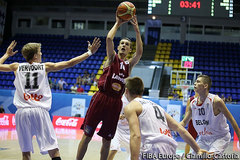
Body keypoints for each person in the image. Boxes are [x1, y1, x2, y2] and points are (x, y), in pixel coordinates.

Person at [0, 38, 100, 160]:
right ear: (36, 55)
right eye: (40, 51)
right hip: (39, 111)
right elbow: (70, 63)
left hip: (22, 112)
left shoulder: (16, 67)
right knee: (54, 150)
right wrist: (89, 53)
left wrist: (6, 54)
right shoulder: (44, 67)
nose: (41, 54)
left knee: (25, 152)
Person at [76, 14, 143, 160]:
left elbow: (139, 53)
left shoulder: (128, 65)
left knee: (107, 141)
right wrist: (118, 23)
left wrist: (137, 31)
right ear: (118, 47)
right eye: (122, 44)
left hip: (115, 103)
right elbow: (108, 39)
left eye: (127, 45)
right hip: (101, 98)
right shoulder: (112, 58)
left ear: (129, 50)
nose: (124, 45)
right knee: (87, 135)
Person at [123, 77, 209, 159]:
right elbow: (180, 128)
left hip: (152, 148)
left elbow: (135, 136)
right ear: (142, 91)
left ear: (126, 91)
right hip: (169, 148)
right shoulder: (157, 106)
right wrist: (197, 149)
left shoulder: (130, 107)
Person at [180, 75, 240, 156]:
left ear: (205, 86)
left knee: (209, 157)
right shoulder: (192, 104)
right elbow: (184, 122)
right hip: (203, 139)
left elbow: (232, 120)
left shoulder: (216, 101)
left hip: (220, 138)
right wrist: (170, 127)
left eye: (198, 82)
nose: (194, 84)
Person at [107, 92, 130, 160]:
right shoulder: (119, 100)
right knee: (114, 149)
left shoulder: (136, 101)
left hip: (129, 131)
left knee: (134, 152)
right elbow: (110, 113)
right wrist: (118, 116)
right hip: (117, 129)